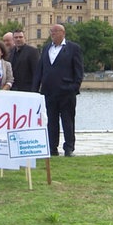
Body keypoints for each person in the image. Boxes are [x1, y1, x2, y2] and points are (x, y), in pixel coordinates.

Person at [32, 24, 84, 157]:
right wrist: (35, 88)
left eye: (55, 32)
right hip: (49, 91)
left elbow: (78, 71)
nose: (52, 34)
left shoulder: (73, 48)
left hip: (67, 92)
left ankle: (69, 147)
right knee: (51, 121)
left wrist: (74, 87)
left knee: (67, 120)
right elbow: (40, 69)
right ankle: (52, 147)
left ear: (63, 33)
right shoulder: (46, 48)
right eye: (51, 32)